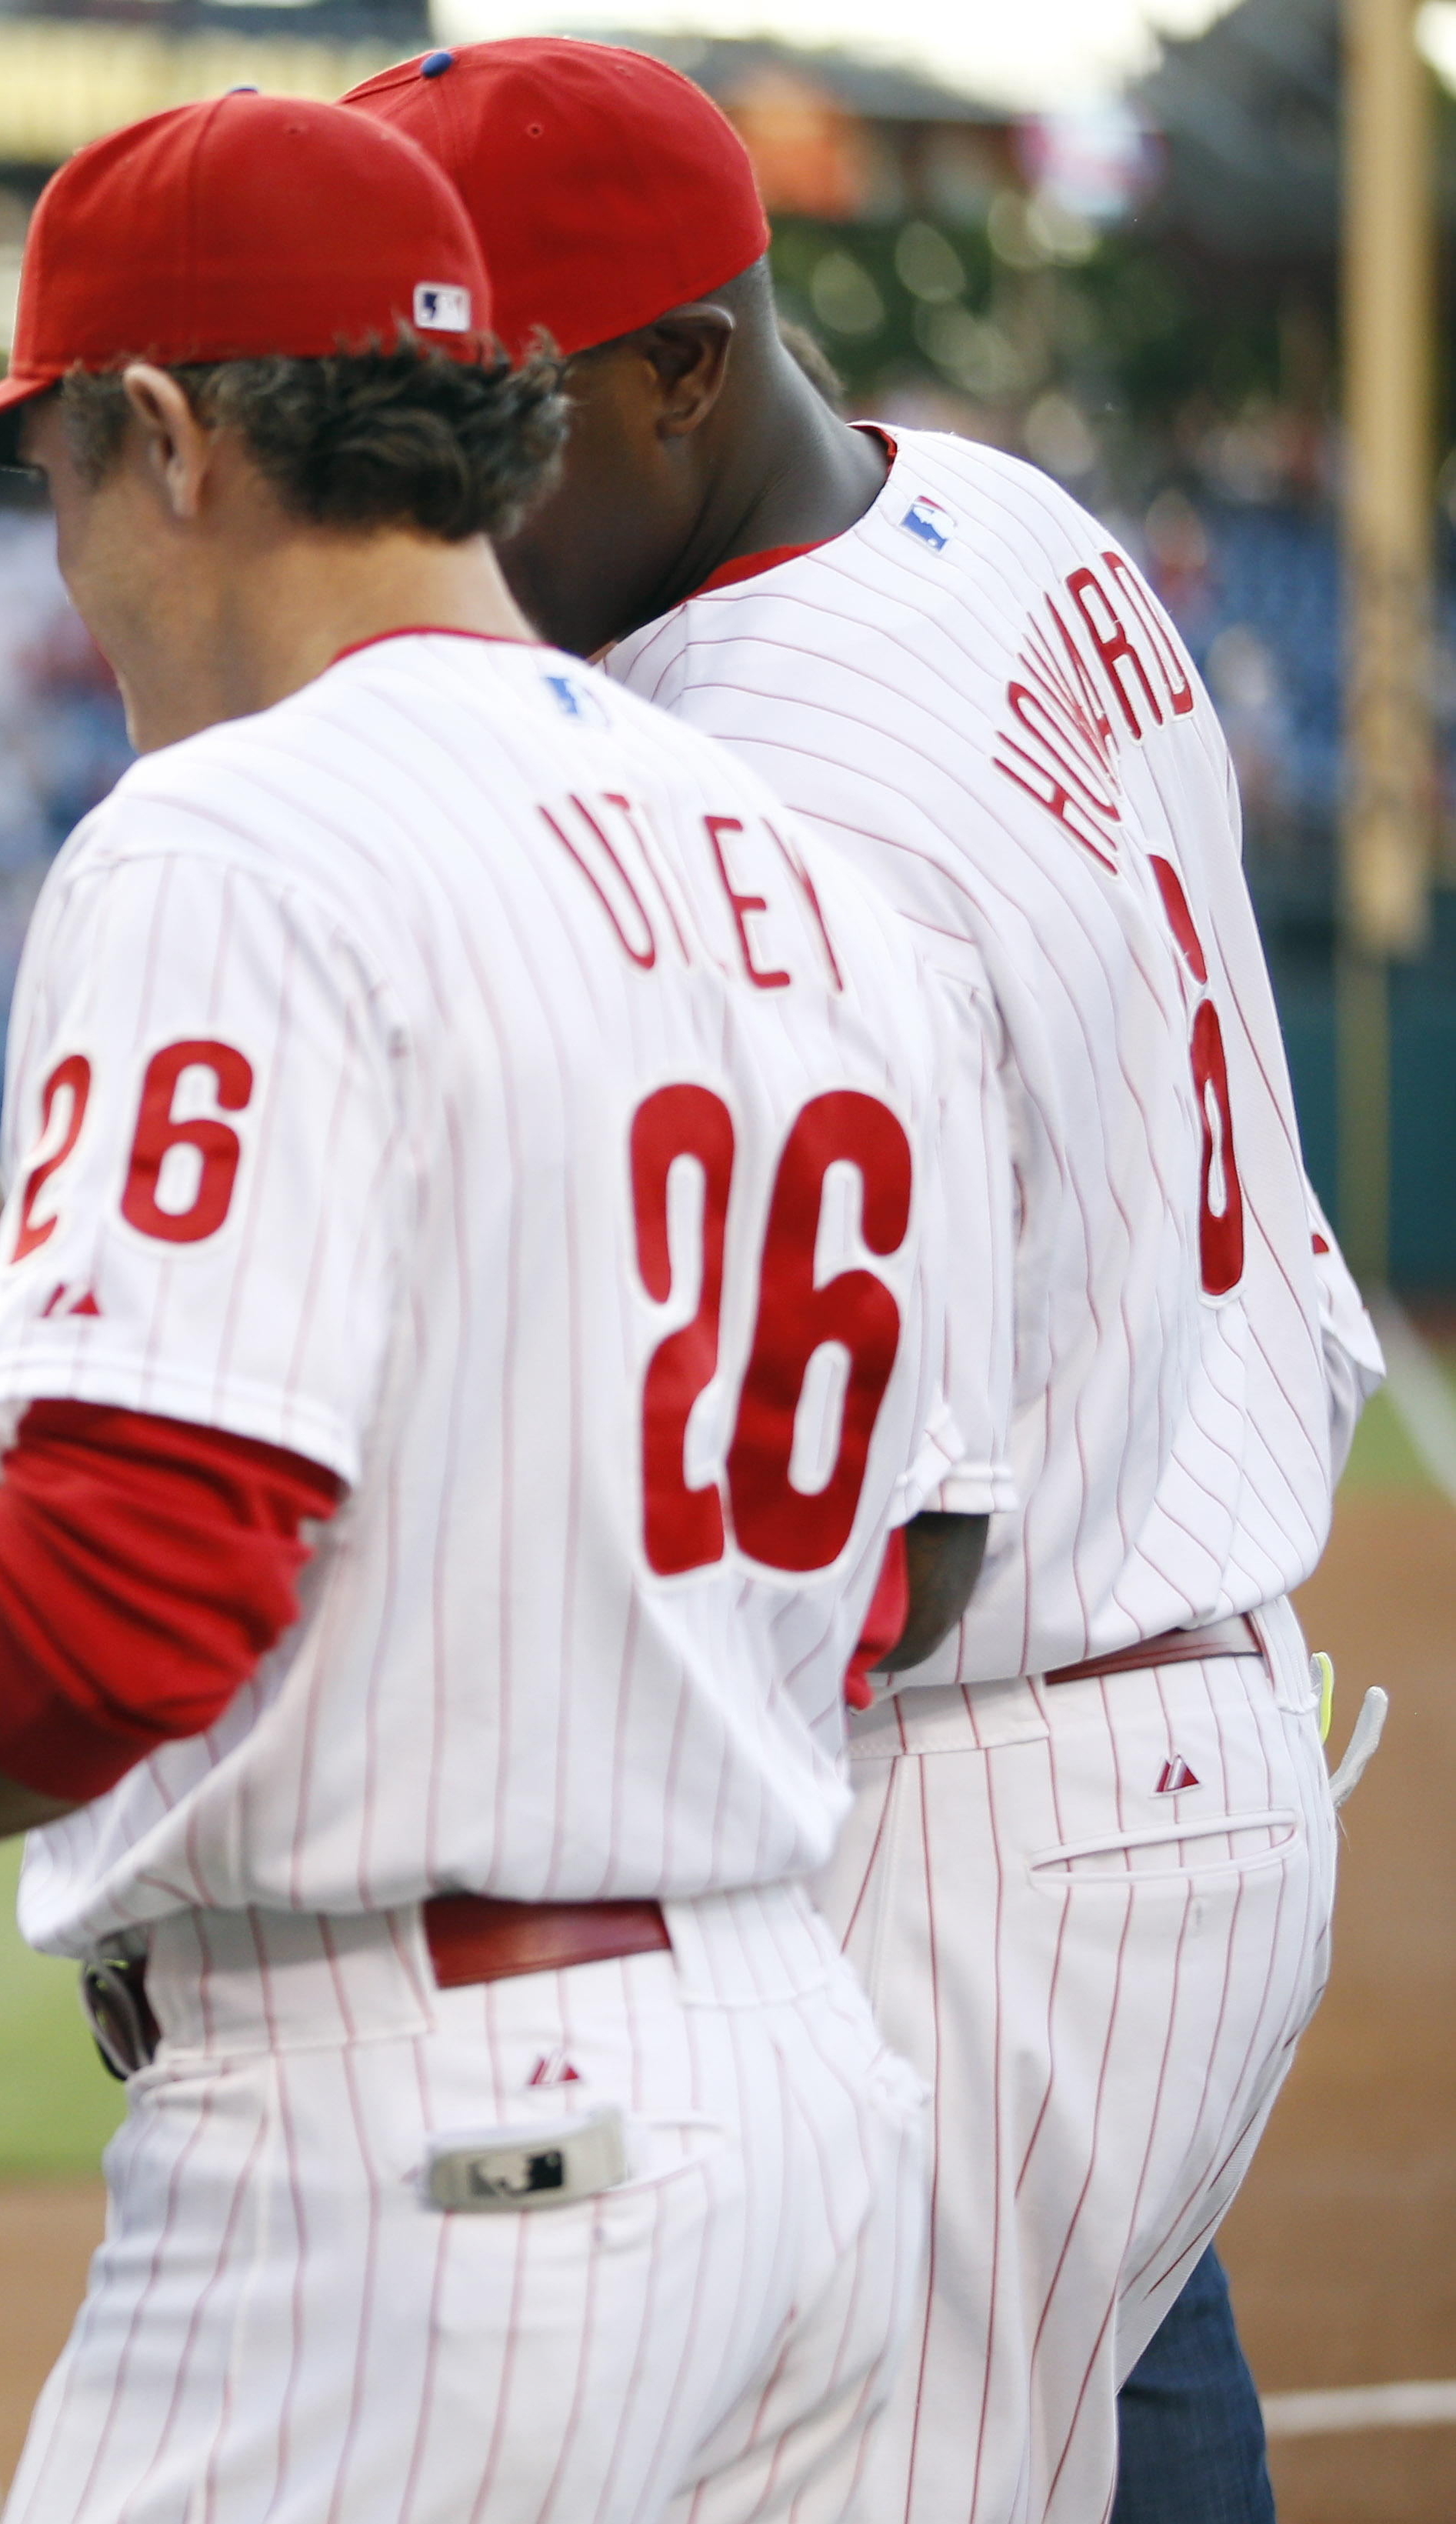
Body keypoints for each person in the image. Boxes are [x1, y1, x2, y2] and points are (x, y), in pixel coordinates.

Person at [0, 90, 1008, 2522]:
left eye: (59, 476)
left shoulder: (236, 830)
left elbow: (129, 1592)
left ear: (170, 438)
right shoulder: (776, 847)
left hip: (426, 2152)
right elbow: (894, 1570)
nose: (67, 563)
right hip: (793, 2097)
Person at [348, 39, 1385, 2524]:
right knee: (1121, 2425)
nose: (425, 510)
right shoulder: (993, 509)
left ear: (680, 370)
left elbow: (841, 1555)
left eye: (480, 430)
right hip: (1156, 1731)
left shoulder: (749, 781)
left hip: (978, 1800)